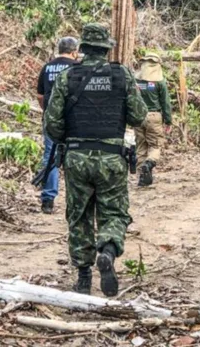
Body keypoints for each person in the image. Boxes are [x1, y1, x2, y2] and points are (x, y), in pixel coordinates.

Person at [44, 24, 147, 297]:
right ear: (105, 49)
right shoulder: (121, 74)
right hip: (112, 157)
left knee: (79, 216)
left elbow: (52, 123)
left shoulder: (68, 76)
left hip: (77, 157)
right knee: (113, 213)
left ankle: (83, 276)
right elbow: (138, 116)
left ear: (83, 49)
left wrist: (71, 139)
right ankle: (108, 251)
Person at [36, 37, 79, 214]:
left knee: (50, 156)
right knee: (74, 157)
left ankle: (48, 200)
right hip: (73, 120)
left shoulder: (47, 68)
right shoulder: (77, 68)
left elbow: (40, 95)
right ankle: (75, 199)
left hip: (51, 119)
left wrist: (48, 111)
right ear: (74, 51)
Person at [134, 52, 172, 187]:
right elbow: (165, 102)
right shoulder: (160, 82)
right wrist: (168, 121)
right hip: (154, 116)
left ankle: (142, 178)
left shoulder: (136, 79)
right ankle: (149, 163)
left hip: (138, 116)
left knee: (140, 146)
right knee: (155, 145)